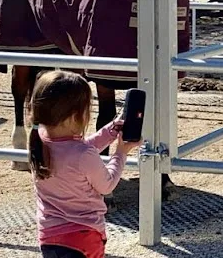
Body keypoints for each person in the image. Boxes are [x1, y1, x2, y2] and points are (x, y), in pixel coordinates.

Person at [27, 70, 140, 258]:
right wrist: (121, 152)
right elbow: (107, 185)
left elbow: (77, 150)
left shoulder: (39, 141)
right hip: (83, 236)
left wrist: (110, 131)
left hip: (49, 236)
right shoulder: (82, 154)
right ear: (74, 116)